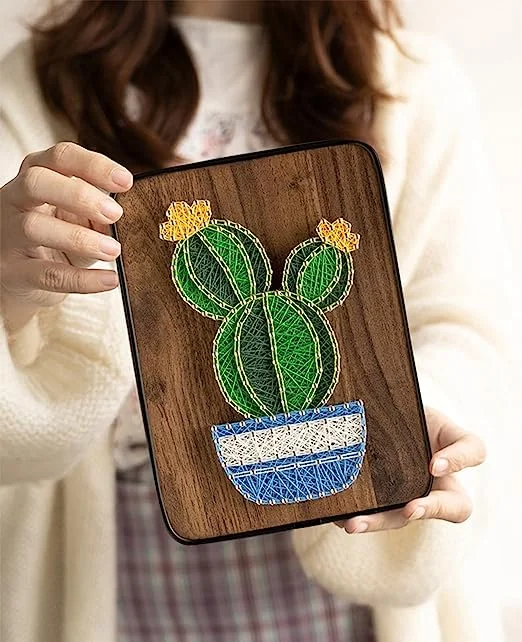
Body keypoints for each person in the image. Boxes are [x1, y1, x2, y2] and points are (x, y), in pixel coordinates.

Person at [0, 1, 510, 641]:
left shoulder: (411, 81)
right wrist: (13, 297)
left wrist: (412, 415)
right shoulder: (32, 84)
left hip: (349, 556)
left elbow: (462, 322)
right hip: (114, 564)